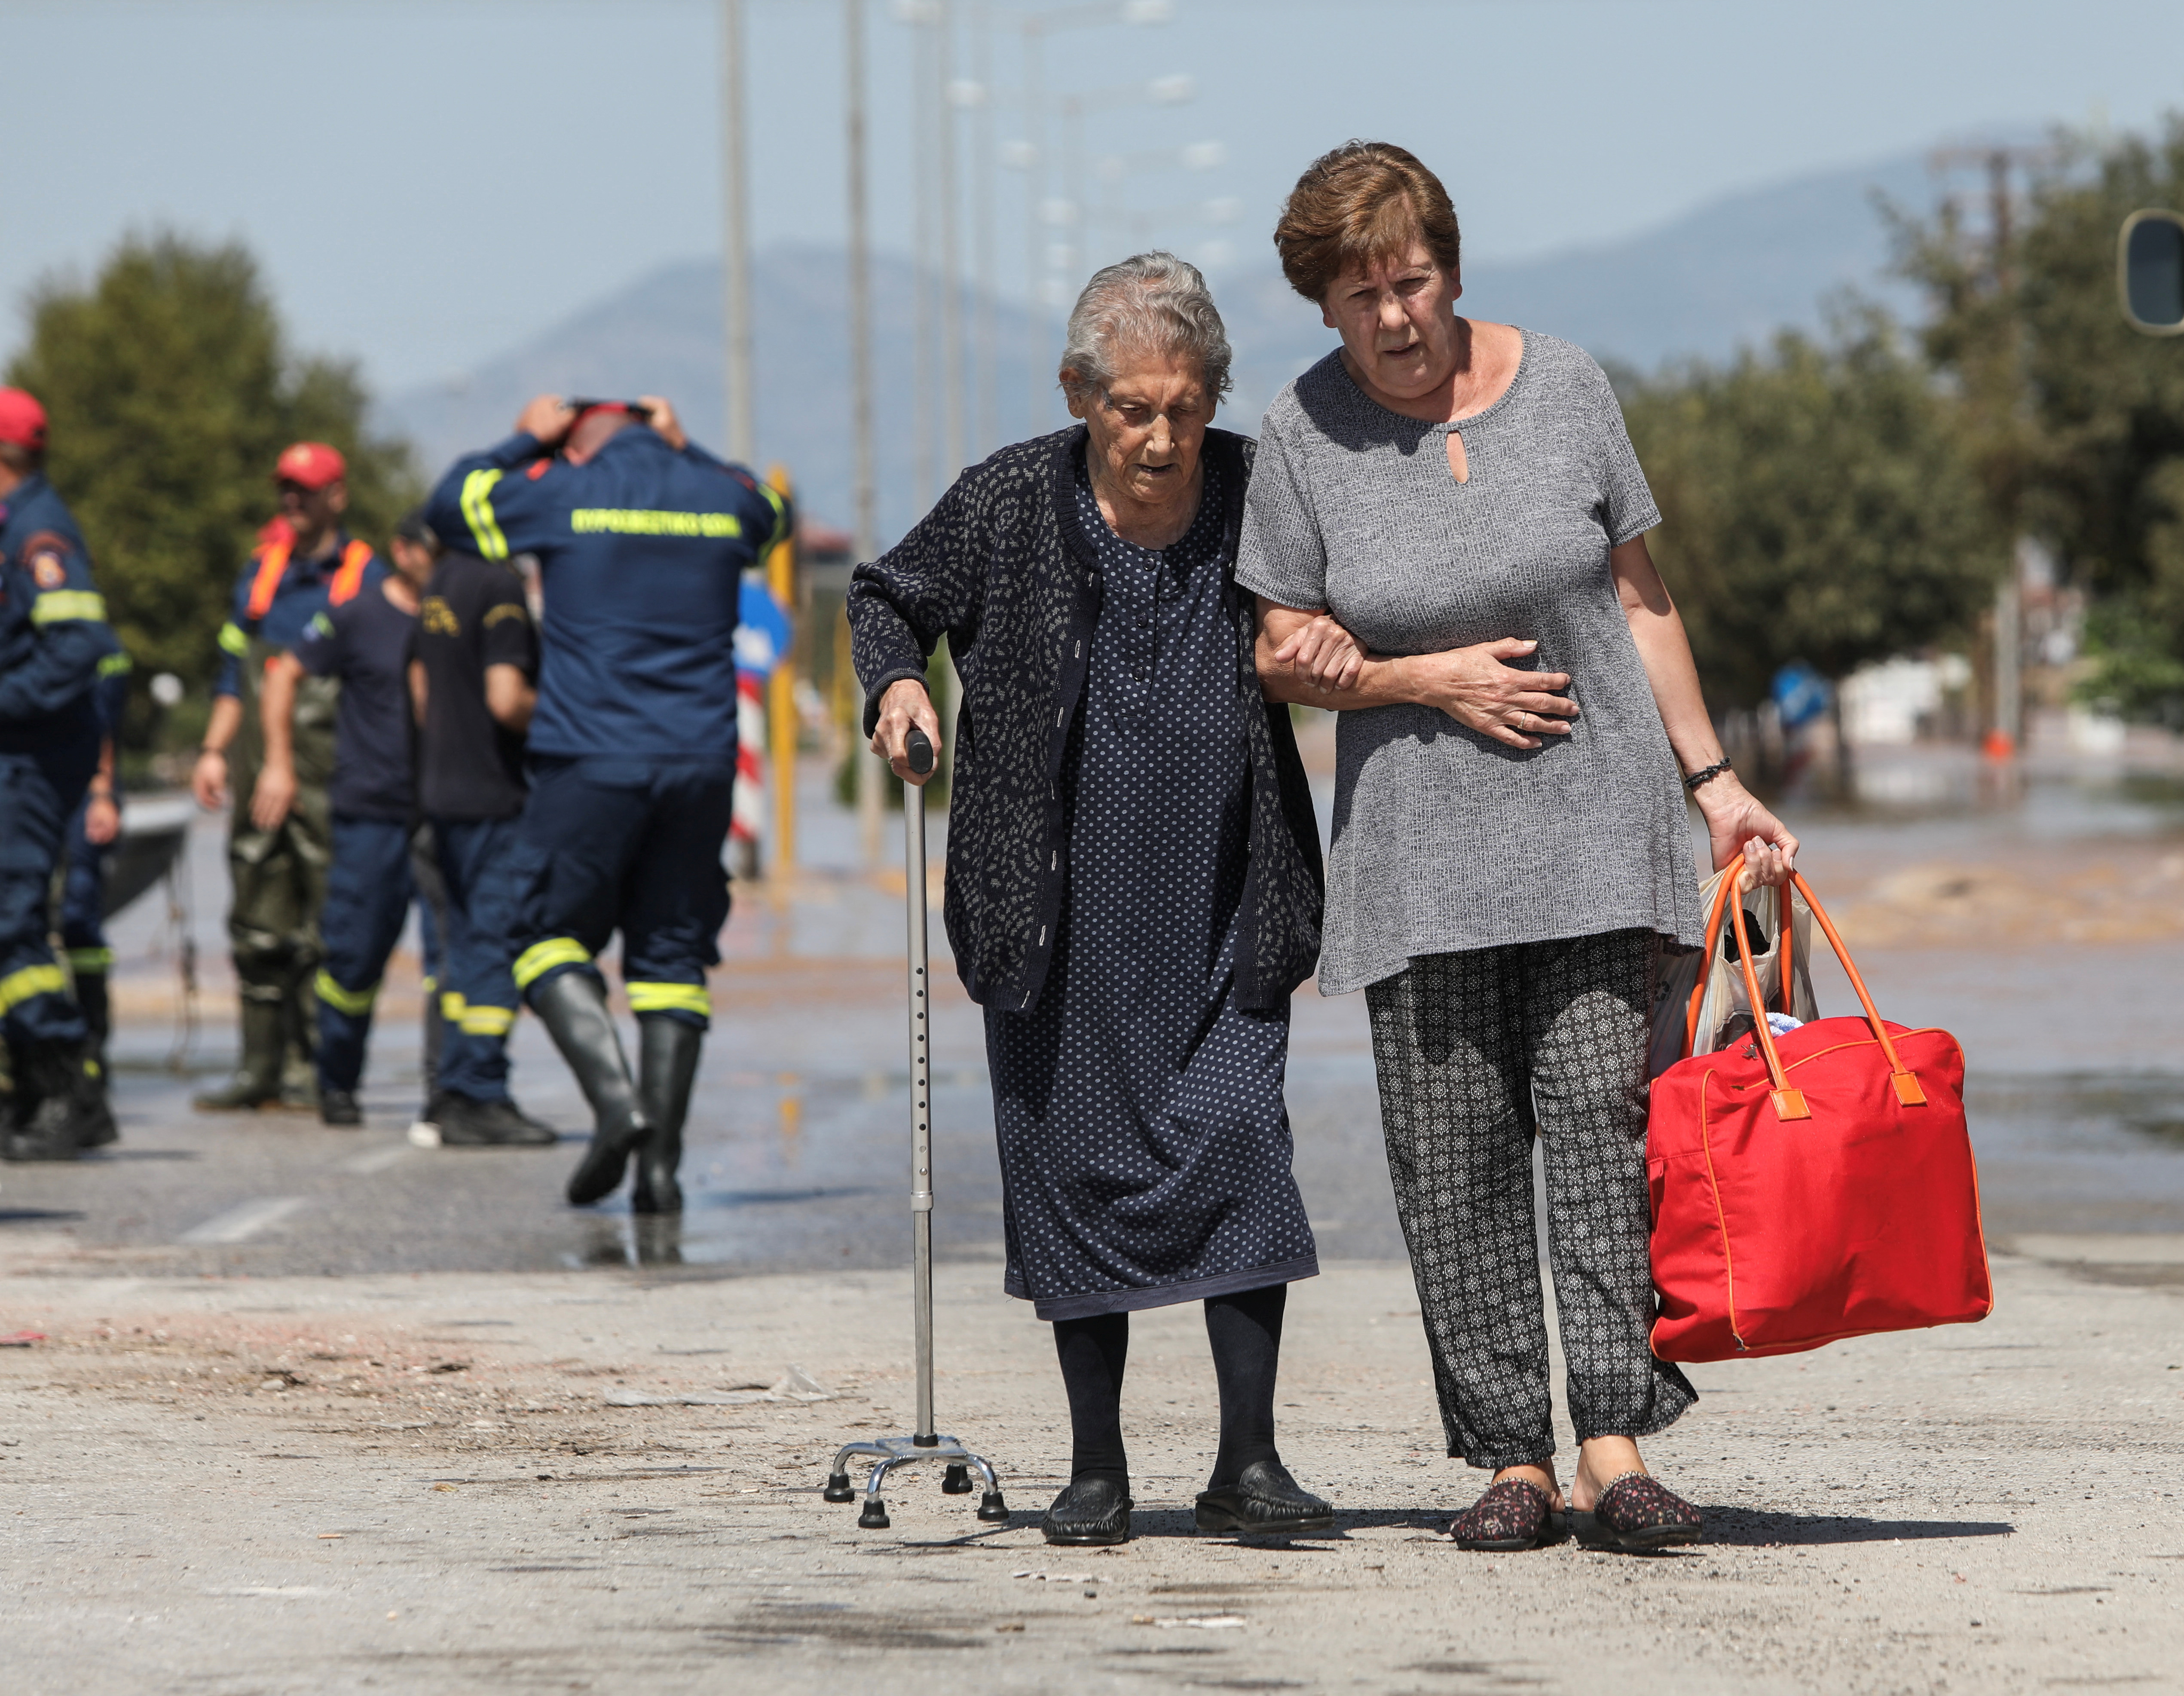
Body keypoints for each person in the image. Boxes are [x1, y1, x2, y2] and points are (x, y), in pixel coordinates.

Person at [1238, 143, 1797, 1555]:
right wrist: (1424, 679)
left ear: (1453, 270)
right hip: (1420, 863)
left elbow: (1638, 592)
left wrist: (1714, 781)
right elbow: (1282, 653)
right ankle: (1510, 1457)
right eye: (1360, 297)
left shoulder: (1567, 389)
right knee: (1455, 1156)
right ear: (1323, 307)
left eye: (1412, 283)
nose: (1395, 318)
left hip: (1601, 833)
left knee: (1608, 1136)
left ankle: (1613, 1446)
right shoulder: (1300, 439)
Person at [853, 252, 1337, 1548]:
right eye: (1134, 407)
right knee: (1069, 1165)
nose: (1164, 435)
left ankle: (1248, 1459)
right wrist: (895, 688)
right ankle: (1096, 1466)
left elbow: (1343, 608)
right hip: (1053, 912)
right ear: (1079, 392)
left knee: (1239, 1137)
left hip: (1229, 892)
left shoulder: (1252, 488)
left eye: (1185, 405)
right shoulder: (1011, 499)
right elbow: (887, 594)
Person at [426, 395, 783, 1210]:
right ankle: (659, 1171)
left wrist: (526, 437)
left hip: (588, 761)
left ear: (575, 444)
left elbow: (449, 506)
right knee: (672, 964)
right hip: (699, 764)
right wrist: (688, 448)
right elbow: (773, 511)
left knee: (541, 934)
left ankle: (618, 1107)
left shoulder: (558, 491)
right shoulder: (717, 494)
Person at [190, 445, 377, 1113]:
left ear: (337, 496)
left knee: (327, 914)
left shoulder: (364, 575)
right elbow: (231, 674)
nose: (291, 501)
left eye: (305, 489)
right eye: (285, 490)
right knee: (257, 910)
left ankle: (314, 1067)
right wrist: (213, 750)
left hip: (332, 768)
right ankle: (260, 1068)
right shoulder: (260, 574)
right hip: (257, 763)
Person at [259, 511, 443, 1126]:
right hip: (372, 813)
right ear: (404, 551)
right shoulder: (357, 616)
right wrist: (279, 765)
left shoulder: (453, 617)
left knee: (454, 964)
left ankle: (454, 1092)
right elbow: (284, 674)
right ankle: (336, 1082)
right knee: (354, 958)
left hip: (446, 813)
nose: (439, 566)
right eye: (430, 553)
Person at [0, 386, 127, 1162]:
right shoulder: (16, 525)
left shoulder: (40, 533)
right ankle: (41, 1090)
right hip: (21, 748)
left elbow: (81, 645)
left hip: (33, 755)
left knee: (9, 923)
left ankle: (73, 1089)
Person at [407, 520, 554, 1146]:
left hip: (441, 787)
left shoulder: (440, 581)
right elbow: (506, 698)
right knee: (495, 944)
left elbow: (419, 682)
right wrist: (570, 720)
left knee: (461, 945)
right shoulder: (499, 586)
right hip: (494, 794)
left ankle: (452, 1088)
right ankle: (482, 1094)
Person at [50, 643, 133, 1149]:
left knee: (79, 915)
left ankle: (91, 1054)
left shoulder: (95, 643)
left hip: (80, 783)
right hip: (28, 780)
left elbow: (101, 721)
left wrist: (102, 792)